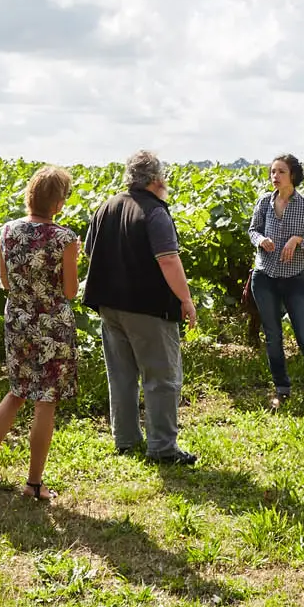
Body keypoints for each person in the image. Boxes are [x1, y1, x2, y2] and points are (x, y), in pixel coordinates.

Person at [82, 150, 200, 465]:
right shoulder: (155, 212)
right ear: (156, 179)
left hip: (109, 305)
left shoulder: (107, 206)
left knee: (121, 375)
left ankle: (125, 439)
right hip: (148, 308)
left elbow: (91, 251)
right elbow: (168, 259)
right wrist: (186, 300)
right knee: (162, 378)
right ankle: (162, 448)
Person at [0, 165, 79, 501]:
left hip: (17, 320)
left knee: (16, 392)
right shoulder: (65, 238)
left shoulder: (8, 231)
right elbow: (70, 291)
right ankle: (33, 483)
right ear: (57, 203)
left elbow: (6, 282)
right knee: (46, 400)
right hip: (51, 325)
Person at [247, 153, 304, 410]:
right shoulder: (264, 202)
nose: (275, 176)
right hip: (264, 277)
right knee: (273, 337)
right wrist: (261, 240)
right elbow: (252, 230)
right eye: (273, 171)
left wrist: (298, 240)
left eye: (281, 172)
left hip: (294, 279)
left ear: (293, 175)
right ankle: (282, 390)